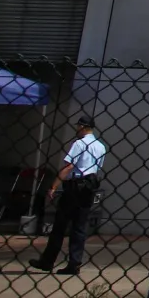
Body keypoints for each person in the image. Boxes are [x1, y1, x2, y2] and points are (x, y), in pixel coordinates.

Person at [30, 114, 106, 275]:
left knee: (60, 225)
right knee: (79, 227)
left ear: (83, 127)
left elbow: (69, 166)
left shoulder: (79, 144)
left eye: (78, 126)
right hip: (88, 187)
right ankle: (74, 263)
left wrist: (53, 186)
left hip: (74, 187)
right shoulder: (100, 146)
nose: (76, 129)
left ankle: (47, 261)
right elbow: (97, 168)